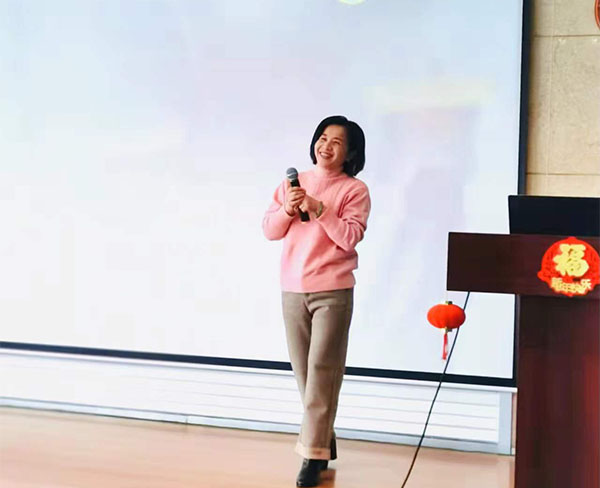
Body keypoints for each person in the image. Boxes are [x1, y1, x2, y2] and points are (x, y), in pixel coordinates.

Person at [262, 115, 370, 487]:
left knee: (323, 372)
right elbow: (270, 230)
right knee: (305, 376)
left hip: (333, 291)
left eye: (336, 142)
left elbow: (350, 237)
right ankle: (323, 439)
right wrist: (288, 209)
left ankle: (311, 457)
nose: (326, 146)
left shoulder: (355, 190)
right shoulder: (293, 184)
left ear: (350, 153)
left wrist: (319, 208)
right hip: (293, 288)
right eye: (322, 138)